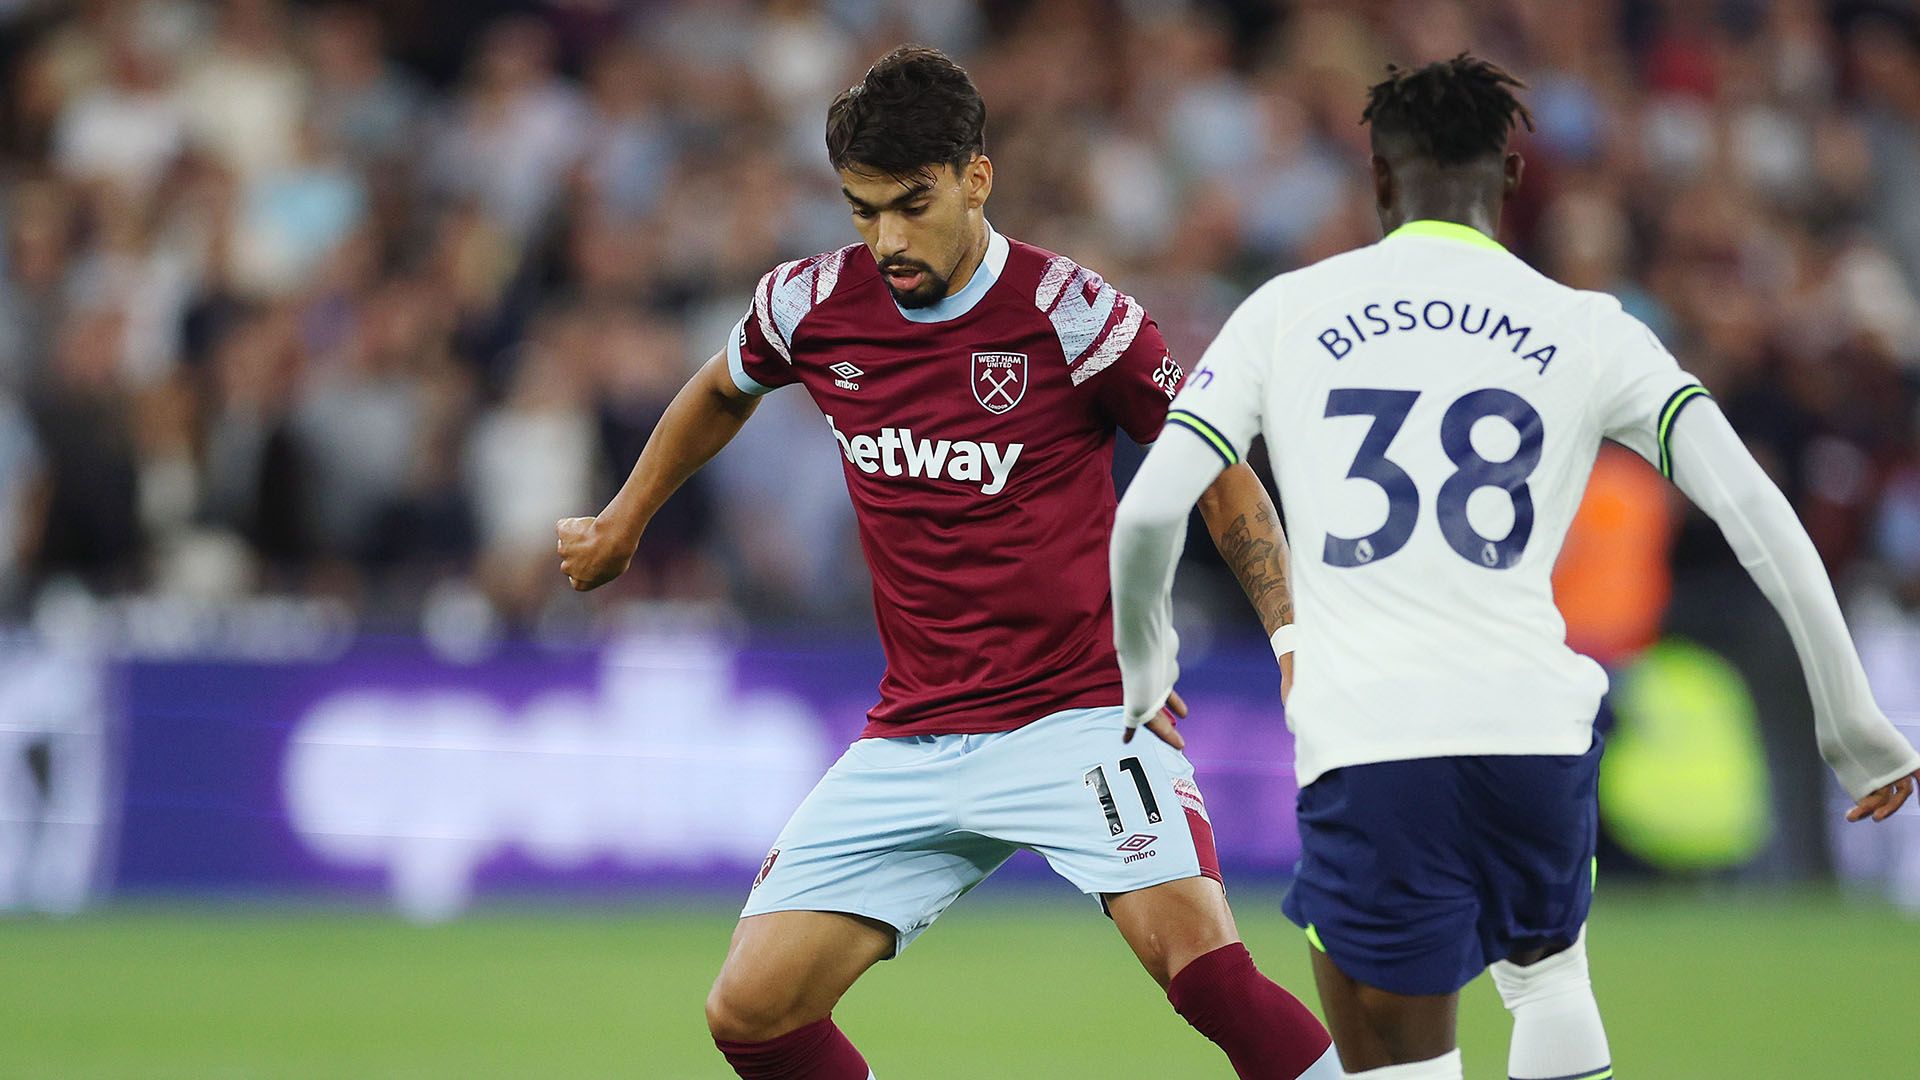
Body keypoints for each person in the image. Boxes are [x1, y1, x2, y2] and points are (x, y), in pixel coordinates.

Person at [1108, 54, 1920, 1080]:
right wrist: (1853, 719)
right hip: (1535, 733)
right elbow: (1758, 509)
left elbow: (1145, 515)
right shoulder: (1590, 326)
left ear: (1380, 180)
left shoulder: (1287, 310)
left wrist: (1146, 662)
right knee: (1548, 974)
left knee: (1394, 1045)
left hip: (1373, 739)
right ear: (1511, 181)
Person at [556, 46, 1337, 1080]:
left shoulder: (1073, 315)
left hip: (1079, 721)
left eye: (909, 205)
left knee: (1210, 978)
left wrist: (1287, 632)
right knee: (750, 1012)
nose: (885, 239)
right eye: (859, 210)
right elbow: (720, 387)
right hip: (913, 733)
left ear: (977, 176)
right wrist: (624, 520)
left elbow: (1220, 468)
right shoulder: (811, 305)